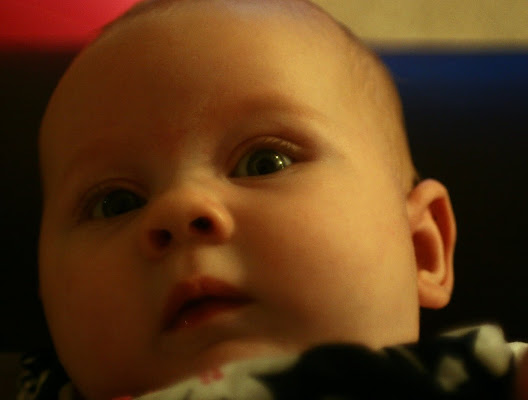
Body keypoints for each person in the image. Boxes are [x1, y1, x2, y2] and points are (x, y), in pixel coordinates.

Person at [28, 0, 528, 399]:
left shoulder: (492, 379)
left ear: (420, 248)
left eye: (265, 163)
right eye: (116, 203)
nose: (180, 209)